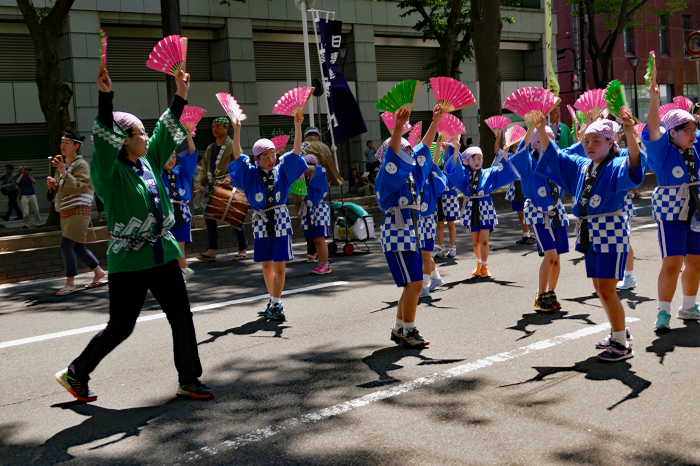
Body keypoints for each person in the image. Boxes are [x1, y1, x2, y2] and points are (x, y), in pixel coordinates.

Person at [55, 66, 213, 402]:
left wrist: (181, 92)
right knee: (121, 326)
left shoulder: (150, 161)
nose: (147, 136)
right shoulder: (107, 173)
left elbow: (168, 130)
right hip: (128, 260)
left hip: (163, 253)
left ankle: (189, 379)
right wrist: (105, 98)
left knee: (182, 316)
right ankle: (76, 372)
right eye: (141, 132)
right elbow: (105, 137)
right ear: (124, 139)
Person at [535, 112, 645, 361]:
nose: (590, 145)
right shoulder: (583, 165)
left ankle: (621, 344)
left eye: (597, 140)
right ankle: (619, 331)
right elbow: (555, 155)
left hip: (611, 230)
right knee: (599, 288)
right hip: (589, 231)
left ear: (611, 142)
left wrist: (630, 132)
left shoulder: (617, 163)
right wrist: (541, 127)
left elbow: (635, 164)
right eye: (586, 140)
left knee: (606, 289)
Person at [229, 114, 308, 322]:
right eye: (266, 156)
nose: (271, 159)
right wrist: (236, 131)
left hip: (281, 218)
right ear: (257, 159)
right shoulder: (250, 175)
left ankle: (276, 302)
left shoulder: (282, 172)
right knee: (266, 264)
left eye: (273, 154)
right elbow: (237, 157)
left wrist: (297, 126)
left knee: (280, 265)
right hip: (261, 221)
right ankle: (272, 300)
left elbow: (296, 152)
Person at [376, 104, 441, 348]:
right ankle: (408, 329)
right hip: (397, 230)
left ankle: (400, 328)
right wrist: (399, 129)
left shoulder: (412, 175)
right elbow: (394, 153)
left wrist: (435, 120)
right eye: (404, 149)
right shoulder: (387, 172)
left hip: (408, 231)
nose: (408, 152)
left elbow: (423, 149)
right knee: (414, 283)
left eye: (408, 149)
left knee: (411, 285)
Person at [644, 77, 700, 332]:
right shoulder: (662, 152)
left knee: (696, 261)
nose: (692, 134)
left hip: (695, 212)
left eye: (694, 129)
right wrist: (654, 98)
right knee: (672, 262)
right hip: (671, 213)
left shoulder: (696, 147)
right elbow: (654, 129)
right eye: (686, 130)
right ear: (672, 133)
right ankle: (663, 312)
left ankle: (688, 306)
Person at [509, 123, 573, 312]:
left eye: (552, 139)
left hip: (556, 209)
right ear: (536, 144)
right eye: (546, 139)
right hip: (537, 212)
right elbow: (519, 154)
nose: (551, 143)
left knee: (557, 257)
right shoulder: (529, 162)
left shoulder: (556, 160)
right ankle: (541, 293)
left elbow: (577, 152)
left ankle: (551, 292)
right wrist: (531, 129)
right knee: (550, 254)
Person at [444, 143, 519, 278]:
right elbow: (455, 170)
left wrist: (506, 153)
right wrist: (455, 150)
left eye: (480, 158)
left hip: (485, 206)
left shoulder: (488, 172)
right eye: (474, 159)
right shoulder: (465, 174)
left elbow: (502, 170)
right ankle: (478, 263)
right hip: (471, 206)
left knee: (484, 239)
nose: (477, 161)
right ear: (467, 161)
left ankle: (484, 265)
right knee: (475, 240)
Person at [47, 129, 106, 296]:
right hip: (67, 211)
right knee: (78, 246)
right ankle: (99, 272)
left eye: (67, 143)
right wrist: (55, 186)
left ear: (76, 146)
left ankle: (70, 282)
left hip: (79, 211)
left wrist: (63, 173)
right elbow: (65, 188)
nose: (63, 146)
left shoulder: (81, 164)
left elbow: (80, 186)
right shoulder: (65, 165)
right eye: (62, 143)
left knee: (66, 246)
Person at [195, 117, 249, 262]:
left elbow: (240, 161)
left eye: (218, 126)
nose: (215, 129)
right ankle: (212, 250)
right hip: (215, 186)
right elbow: (204, 167)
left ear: (226, 128)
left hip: (230, 186)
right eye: (213, 126)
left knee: (235, 217)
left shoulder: (232, 145)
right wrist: (200, 182)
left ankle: (243, 249)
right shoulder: (210, 148)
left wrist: (231, 178)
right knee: (209, 217)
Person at [162, 130, 198, 283]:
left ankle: (182, 274)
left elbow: (191, 155)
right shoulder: (156, 173)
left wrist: (188, 137)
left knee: (179, 247)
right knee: (167, 248)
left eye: (174, 157)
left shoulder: (182, 171)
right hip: (165, 214)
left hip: (182, 214)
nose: (171, 160)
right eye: (167, 157)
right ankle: (169, 275)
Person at [417, 136, 449, 298]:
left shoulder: (428, 171)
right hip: (416, 217)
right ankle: (436, 277)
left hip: (427, 216)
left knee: (425, 253)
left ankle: (425, 285)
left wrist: (437, 145)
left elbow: (434, 162)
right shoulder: (413, 170)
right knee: (424, 253)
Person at [495, 131, 536, 246]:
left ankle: (533, 235)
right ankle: (526, 234)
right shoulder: (511, 156)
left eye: (518, 147)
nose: (516, 149)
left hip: (526, 184)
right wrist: (504, 147)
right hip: (516, 186)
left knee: (529, 211)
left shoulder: (527, 156)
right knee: (520, 213)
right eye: (514, 147)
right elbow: (501, 158)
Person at [300, 153, 332, 274]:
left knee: (320, 238)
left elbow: (322, 169)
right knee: (315, 239)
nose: (305, 170)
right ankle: (321, 263)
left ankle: (325, 264)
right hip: (309, 210)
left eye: (307, 167)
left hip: (319, 209)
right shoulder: (305, 177)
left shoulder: (319, 173)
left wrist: (306, 166)